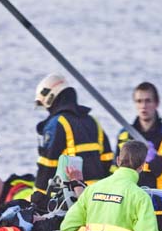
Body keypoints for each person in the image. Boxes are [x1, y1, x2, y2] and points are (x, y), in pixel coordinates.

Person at [32, 73, 113, 211]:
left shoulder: (57, 124)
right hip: (99, 198)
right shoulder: (93, 121)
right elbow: (108, 161)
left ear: (51, 98)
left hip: (72, 198)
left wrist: (36, 200)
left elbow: (47, 167)